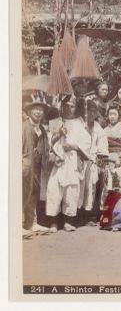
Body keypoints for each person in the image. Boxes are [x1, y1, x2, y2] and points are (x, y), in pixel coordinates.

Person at [46, 95, 91, 232]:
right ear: (62, 106)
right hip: (58, 161)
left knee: (71, 190)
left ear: (75, 108)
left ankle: (68, 221)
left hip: (72, 161)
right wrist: (59, 134)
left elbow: (86, 143)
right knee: (54, 189)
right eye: (66, 105)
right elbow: (48, 142)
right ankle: (53, 222)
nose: (69, 108)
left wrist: (74, 146)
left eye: (72, 106)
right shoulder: (55, 122)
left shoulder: (79, 123)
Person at [22, 93, 51, 236]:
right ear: (29, 111)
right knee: (23, 193)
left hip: (38, 167)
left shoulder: (43, 130)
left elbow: (46, 148)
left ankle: (32, 223)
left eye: (40, 109)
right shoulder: (24, 127)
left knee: (33, 194)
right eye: (35, 109)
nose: (38, 112)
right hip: (26, 167)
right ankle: (20, 224)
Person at [78, 100, 109, 226]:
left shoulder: (99, 129)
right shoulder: (79, 125)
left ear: (95, 113)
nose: (89, 114)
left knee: (93, 185)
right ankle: (77, 214)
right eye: (87, 111)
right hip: (78, 160)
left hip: (93, 161)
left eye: (92, 111)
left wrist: (100, 166)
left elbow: (102, 149)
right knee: (79, 188)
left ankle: (90, 214)